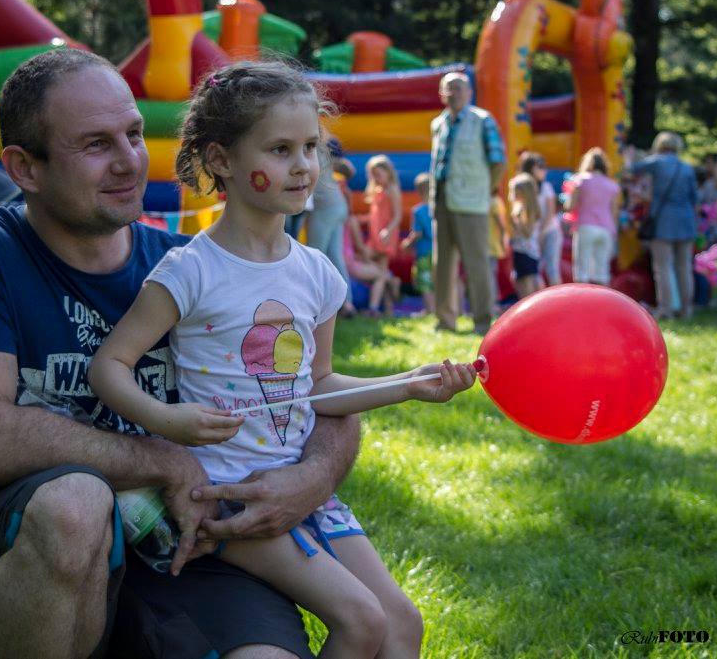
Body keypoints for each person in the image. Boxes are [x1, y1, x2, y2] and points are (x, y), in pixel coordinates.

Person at [0, 48, 367, 659]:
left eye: (132, 134)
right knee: (77, 504)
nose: (130, 161)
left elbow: (312, 387)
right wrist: (160, 459)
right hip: (54, 543)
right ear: (25, 168)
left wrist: (309, 480)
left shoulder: (191, 269)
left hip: (194, 546)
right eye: (96, 145)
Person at [88, 59, 476, 659]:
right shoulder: (190, 271)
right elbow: (108, 366)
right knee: (361, 623)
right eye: (279, 149)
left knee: (403, 624)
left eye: (312, 148)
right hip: (225, 493)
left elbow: (317, 386)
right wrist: (168, 423)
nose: (303, 166)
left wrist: (408, 384)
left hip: (303, 486)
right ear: (220, 160)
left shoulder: (317, 273)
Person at [428, 72, 505, 335]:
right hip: (441, 202)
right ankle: (445, 321)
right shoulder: (438, 123)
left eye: (459, 88)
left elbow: (498, 162)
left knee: (477, 264)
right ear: (441, 94)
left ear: (469, 92)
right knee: (442, 265)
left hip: (473, 203)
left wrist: (483, 190)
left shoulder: (483, 121)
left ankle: (483, 322)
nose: (454, 93)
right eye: (449, 89)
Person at [624, 133, 699, 319]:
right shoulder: (687, 168)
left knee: (663, 267)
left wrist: (628, 157)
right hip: (686, 222)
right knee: (684, 267)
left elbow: (631, 170)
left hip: (664, 221)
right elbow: (694, 198)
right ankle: (687, 309)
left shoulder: (656, 162)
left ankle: (666, 309)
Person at [305, 139, 357, 318]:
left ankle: (313, 304)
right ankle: (347, 303)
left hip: (325, 209)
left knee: (314, 255)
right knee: (335, 256)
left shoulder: (314, 153)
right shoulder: (324, 154)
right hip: (338, 206)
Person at [568, 148, 620, 286]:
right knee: (602, 271)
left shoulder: (580, 180)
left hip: (585, 226)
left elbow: (571, 205)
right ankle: (601, 303)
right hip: (606, 229)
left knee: (582, 268)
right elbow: (614, 211)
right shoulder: (612, 185)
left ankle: (581, 302)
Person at [344, 213, 402, 317]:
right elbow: (360, 247)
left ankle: (388, 311)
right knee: (382, 275)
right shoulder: (351, 221)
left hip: (345, 261)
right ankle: (374, 308)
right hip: (349, 263)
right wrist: (371, 262)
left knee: (381, 273)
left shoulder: (331, 217)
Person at [518, 151, 561, 286]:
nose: (544, 170)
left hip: (548, 232)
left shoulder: (546, 188)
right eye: (540, 167)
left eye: (544, 167)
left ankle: (560, 303)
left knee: (551, 268)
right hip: (533, 235)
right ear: (531, 168)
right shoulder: (523, 187)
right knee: (535, 271)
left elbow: (550, 213)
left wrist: (540, 234)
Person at [401, 174, 436, 316]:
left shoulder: (418, 211)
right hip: (438, 251)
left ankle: (429, 310)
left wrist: (407, 244)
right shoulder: (438, 209)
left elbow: (417, 233)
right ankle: (440, 309)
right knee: (437, 280)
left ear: (419, 192)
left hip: (423, 252)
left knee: (425, 281)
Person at [507, 174, 543, 298]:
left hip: (528, 251)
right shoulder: (519, 207)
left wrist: (516, 222)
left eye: (516, 192)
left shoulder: (530, 210)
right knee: (519, 280)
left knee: (527, 282)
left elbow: (528, 233)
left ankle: (531, 306)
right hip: (520, 249)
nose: (514, 195)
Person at [363, 154, 402, 264]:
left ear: (388, 173)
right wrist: (361, 219)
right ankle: (392, 280)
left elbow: (397, 215)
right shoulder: (378, 190)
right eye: (373, 175)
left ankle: (387, 279)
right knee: (373, 260)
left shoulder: (392, 190)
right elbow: (375, 213)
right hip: (376, 233)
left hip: (386, 234)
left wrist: (388, 230)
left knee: (378, 260)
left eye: (378, 175)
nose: (376, 178)